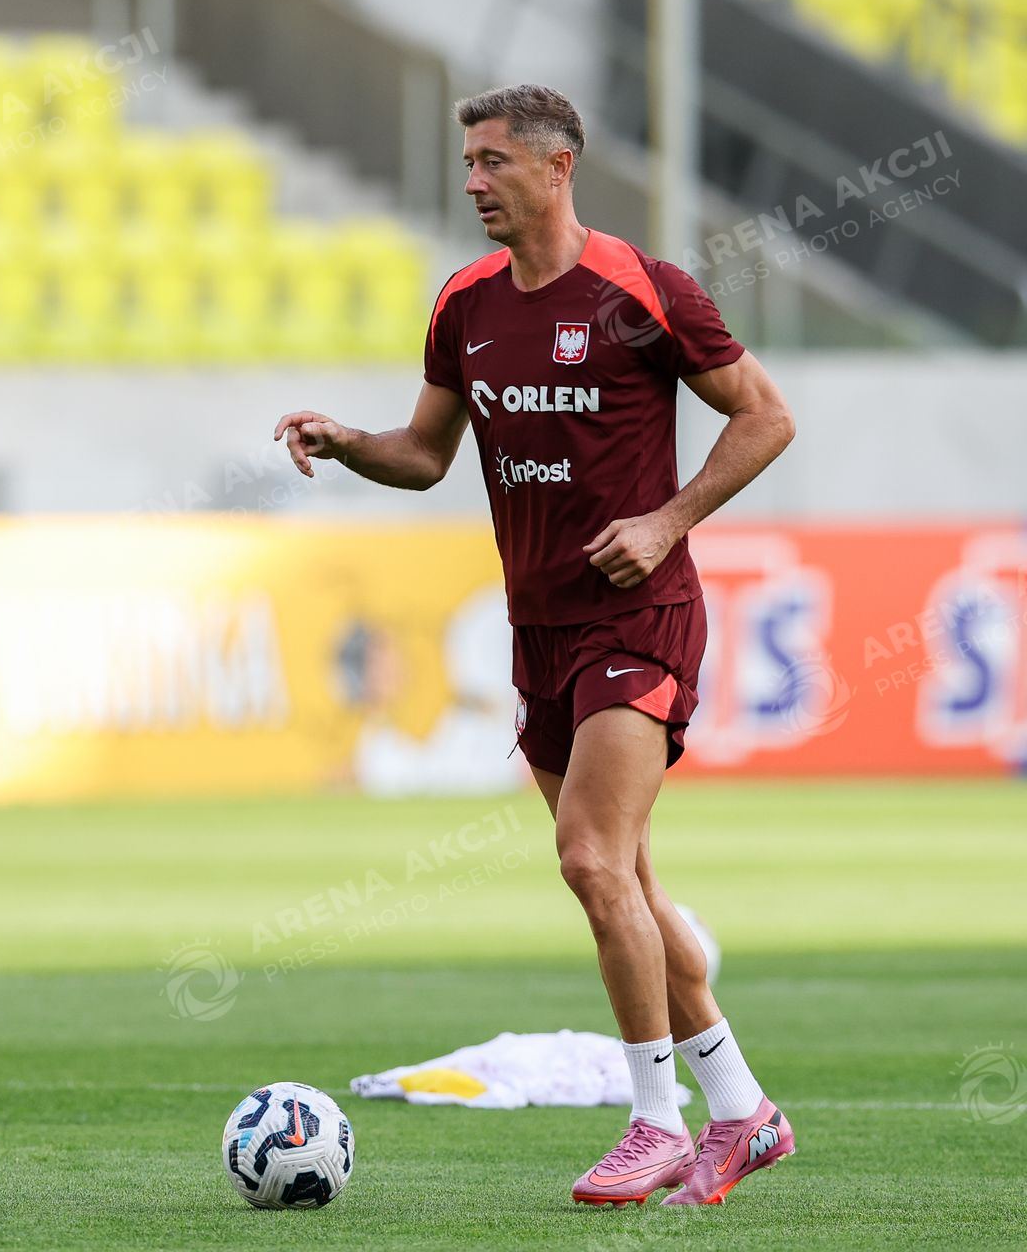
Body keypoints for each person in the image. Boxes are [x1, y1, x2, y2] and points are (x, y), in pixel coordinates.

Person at [274, 84, 797, 1208]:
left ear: (559, 168)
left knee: (589, 859)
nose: (473, 181)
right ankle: (744, 1110)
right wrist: (348, 440)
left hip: (640, 617)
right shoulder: (463, 303)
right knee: (630, 881)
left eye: (494, 161)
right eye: (468, 161)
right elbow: (426, 455)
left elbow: (765, 413)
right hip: (538, 631)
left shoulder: (643, 290)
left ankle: (656, 1121)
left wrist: (667, 521)